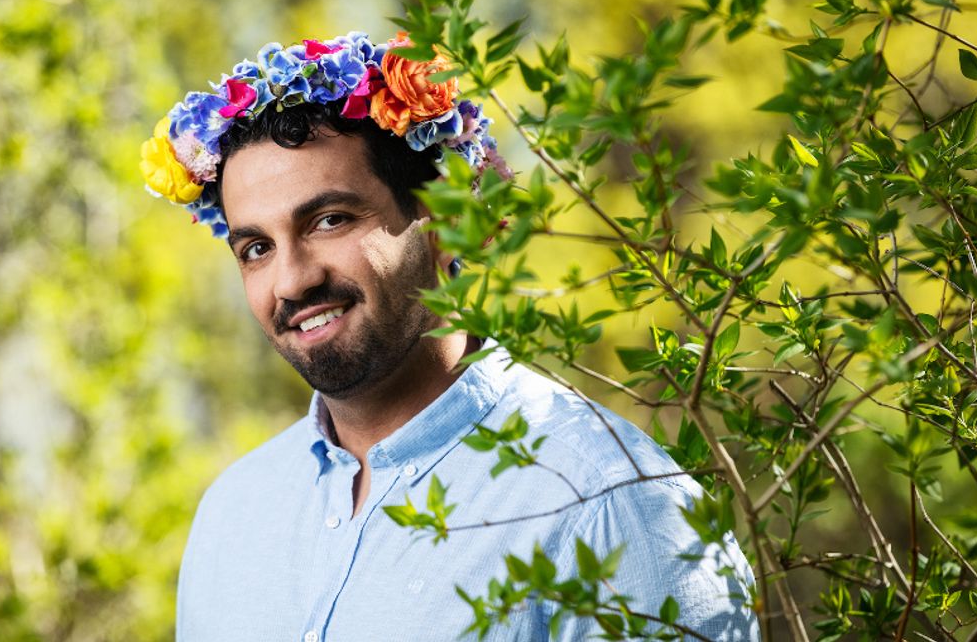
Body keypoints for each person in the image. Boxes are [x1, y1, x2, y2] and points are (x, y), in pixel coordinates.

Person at [141, 32, 760, 642]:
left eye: (330, 220)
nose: (292, 280)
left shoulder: (615, 506)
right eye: (256, 248)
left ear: (445, 224)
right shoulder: (233, 513)